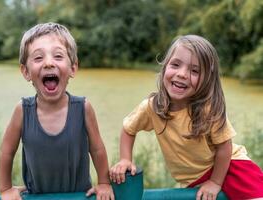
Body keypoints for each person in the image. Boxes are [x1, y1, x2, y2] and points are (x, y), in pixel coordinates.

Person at [109, 35, 263, 200]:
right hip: (194, 179)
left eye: (194, 71)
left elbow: (224, 147)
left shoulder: (208, 109)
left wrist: (215, 182)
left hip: (231, 167)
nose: (182, 74)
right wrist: (125, 159)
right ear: (165, 67)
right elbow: (128, 128)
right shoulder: (152, 107)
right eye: (175, 65)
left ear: (207, 80)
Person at [0, 22, 114, 200]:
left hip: (79, 197)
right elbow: (6, 151)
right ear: (26, 71)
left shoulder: (83, 108)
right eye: (38, 58)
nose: (49, 63)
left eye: (58, 56)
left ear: (73, 68)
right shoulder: (22, 110)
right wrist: (5, 189)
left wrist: (104, 183)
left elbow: (97, 149)